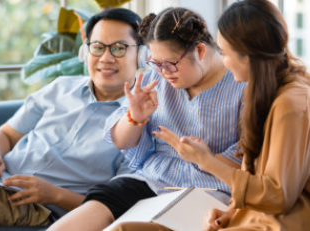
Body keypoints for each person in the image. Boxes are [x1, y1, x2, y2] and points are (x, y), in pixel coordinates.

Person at [109, 0, 310, 230]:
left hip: (272, 223)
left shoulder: (291, 104)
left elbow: (277, 196)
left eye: (224, 52)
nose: (222, 61)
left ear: (249, 55)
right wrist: (231, 211)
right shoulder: (268, 93)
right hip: (246, 215)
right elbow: (256, 177)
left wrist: (205, 161)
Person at [48, 7, 247, 231]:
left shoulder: (241, 84)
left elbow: (250, 161)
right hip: (149, 182)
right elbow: (120, 141)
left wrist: (204, 158)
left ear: (200, 50)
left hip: (209, 192)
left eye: (169, 64)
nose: (162, 72)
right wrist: (135, 117)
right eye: (155, 62)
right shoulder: (155, 76)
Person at [0, 8, 144, 226]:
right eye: (97, 47)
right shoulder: (60, 87)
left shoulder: (136, 125)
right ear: (85, 51)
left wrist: (54, 195)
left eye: (119, 48)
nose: (106, 58)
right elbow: (5, 134)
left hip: (39, 207)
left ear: (142, 55)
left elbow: (117, 206)